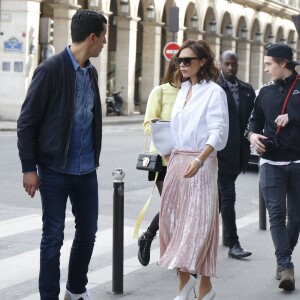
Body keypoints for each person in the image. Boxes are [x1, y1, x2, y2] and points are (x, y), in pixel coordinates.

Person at [17, 10, 107, 300]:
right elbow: (27, 122)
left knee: (88, 234)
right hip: (55, 169)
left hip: (86, 169)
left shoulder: (91, 72)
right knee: (53, 238)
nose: (105, 43)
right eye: (103, 38)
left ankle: (76, 290)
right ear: (92, 38)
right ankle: (48, 297)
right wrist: (28, 167)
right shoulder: (50, 69)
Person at [158, 39, 229, 300]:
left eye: (188, 60)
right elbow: (177, 127)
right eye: (179, 60)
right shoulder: (182, 89)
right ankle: (186, 284)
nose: (182, 64)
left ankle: (204, 286)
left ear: (203, 62)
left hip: (201, 163)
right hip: (177, 161)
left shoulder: (214, 92)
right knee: (172, 223)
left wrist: (199, 160)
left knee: (198, 226)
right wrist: (167, 147)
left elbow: (218, 132)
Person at [246, 42, 300, 292]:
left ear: (283, 64)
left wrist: (293, 116)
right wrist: (252, 136)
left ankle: (283, 258)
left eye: (269, 64)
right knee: (276, 214)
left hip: (298, 162)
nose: (266, 69)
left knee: (296, 217)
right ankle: (285, 264)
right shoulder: (265, 92)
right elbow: (253, 122)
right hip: (271, 163)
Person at [137, 57, 180, 266]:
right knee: (173, 206)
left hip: (187, 159)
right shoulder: (160, 91)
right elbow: (147, 126)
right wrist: (166, 135)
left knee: (181, 208)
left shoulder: (193, 92)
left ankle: (173, 249)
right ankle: (149, 236)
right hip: (163, 160)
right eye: (182, 65)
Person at [217, 51, 255, 259]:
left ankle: (198, 239)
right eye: (227, 64)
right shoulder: (213, 87)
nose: (230, 68)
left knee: (218, 201)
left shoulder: (247, 90)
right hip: (218, 154)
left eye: (234, 64)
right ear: (220, 64)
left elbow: (253, 119)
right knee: (228, 197)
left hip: (239, 154)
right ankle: (233, 243)